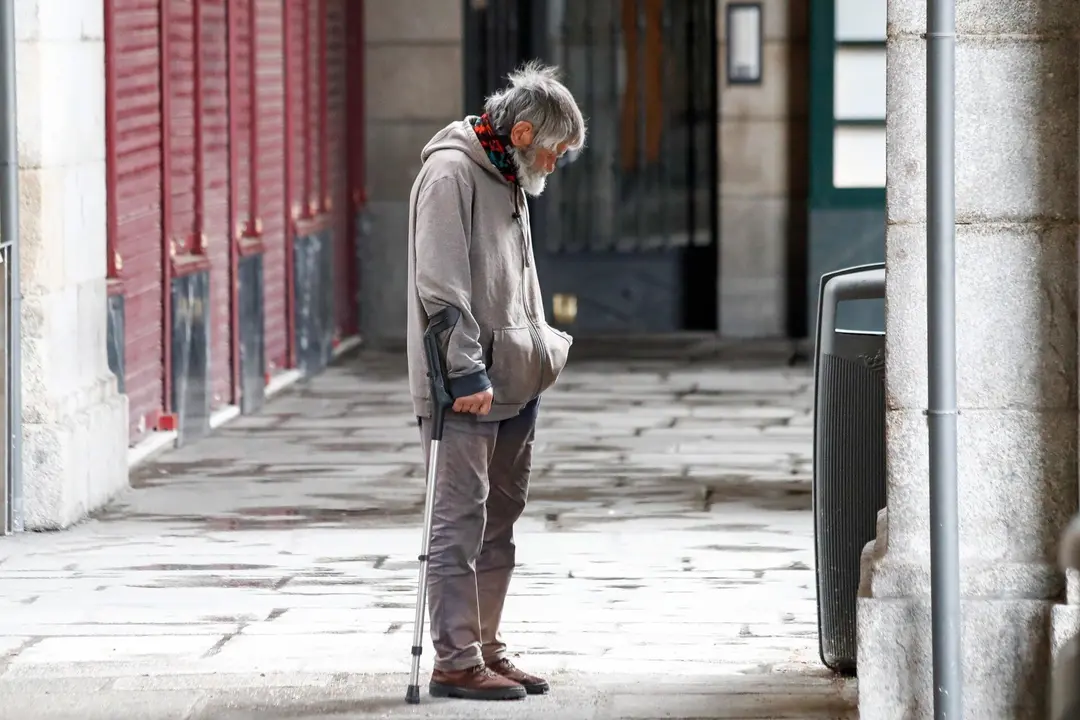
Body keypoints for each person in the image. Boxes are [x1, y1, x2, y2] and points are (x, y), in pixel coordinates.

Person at [405, 61, 586, 702]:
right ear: (524, 131)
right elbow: (441, 286)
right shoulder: (451, 173)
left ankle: (484, 645)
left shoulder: (511, 174)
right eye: (556, 150)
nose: (557, 164)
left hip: (517, 380)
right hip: (469, 383)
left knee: (500, 518)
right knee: (460, 519)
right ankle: (455, 660)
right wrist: (464, 372)